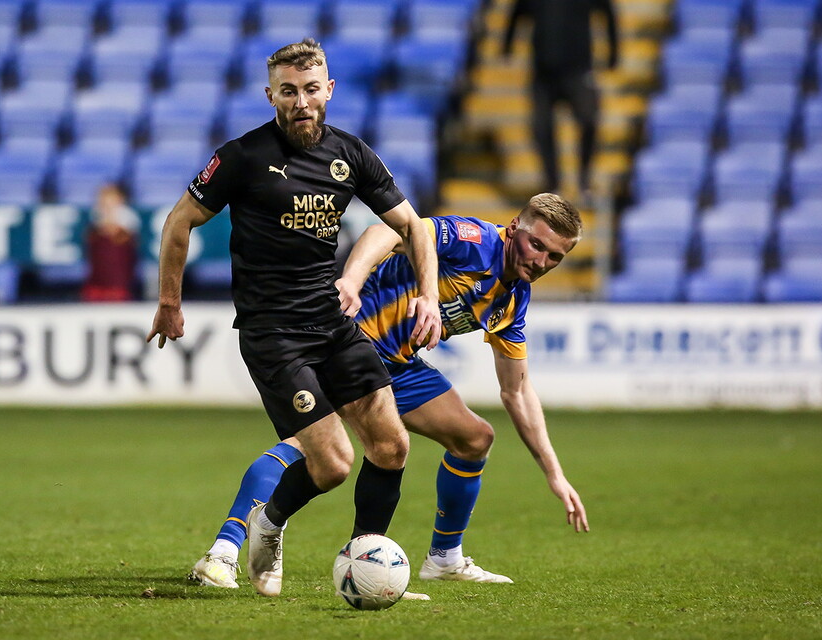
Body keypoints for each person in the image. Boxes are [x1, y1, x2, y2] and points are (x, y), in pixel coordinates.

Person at [146, 39, 441, 598]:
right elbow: (179, 221)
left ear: (329, 90)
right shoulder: (242, 156)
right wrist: (169, 302)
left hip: (331, 324)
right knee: (333, 464)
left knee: (392, 446)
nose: (301, 102)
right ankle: (269, 521)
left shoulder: (351, 154)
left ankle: (366, 565)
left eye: (310, 89)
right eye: (288, 91)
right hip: (273, 333)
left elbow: (412, 225)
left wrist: (428, 296)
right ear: (271, 95)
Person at [188, 193, 589, 591]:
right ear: (515, 228)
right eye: (536, 245)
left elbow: (517, 391)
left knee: (474, 438)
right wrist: (351, 281)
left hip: (397, 363)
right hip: (348, 342)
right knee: (310, 448)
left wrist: (555, 475)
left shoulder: (513, 298)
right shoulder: (474, 240)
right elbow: (386, 232)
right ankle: (223, 552)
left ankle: (443, 559)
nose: (541, 261)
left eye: (555, 257)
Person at [502, 0, 618, 198]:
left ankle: (584, 181)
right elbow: (517, 12)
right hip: (543, 74)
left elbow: (607, 12)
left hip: (579, 70)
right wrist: (507, 46)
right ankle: (552, 184)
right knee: (541, 127)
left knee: (589, 119)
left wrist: (613, 52)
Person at [81, 183, 139, 302]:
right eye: (104, 201)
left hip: (119, 287)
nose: (107, 205)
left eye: (111, 201)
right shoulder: (93, 225)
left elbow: (124, 241)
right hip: (96, 286)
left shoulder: (129, 225)